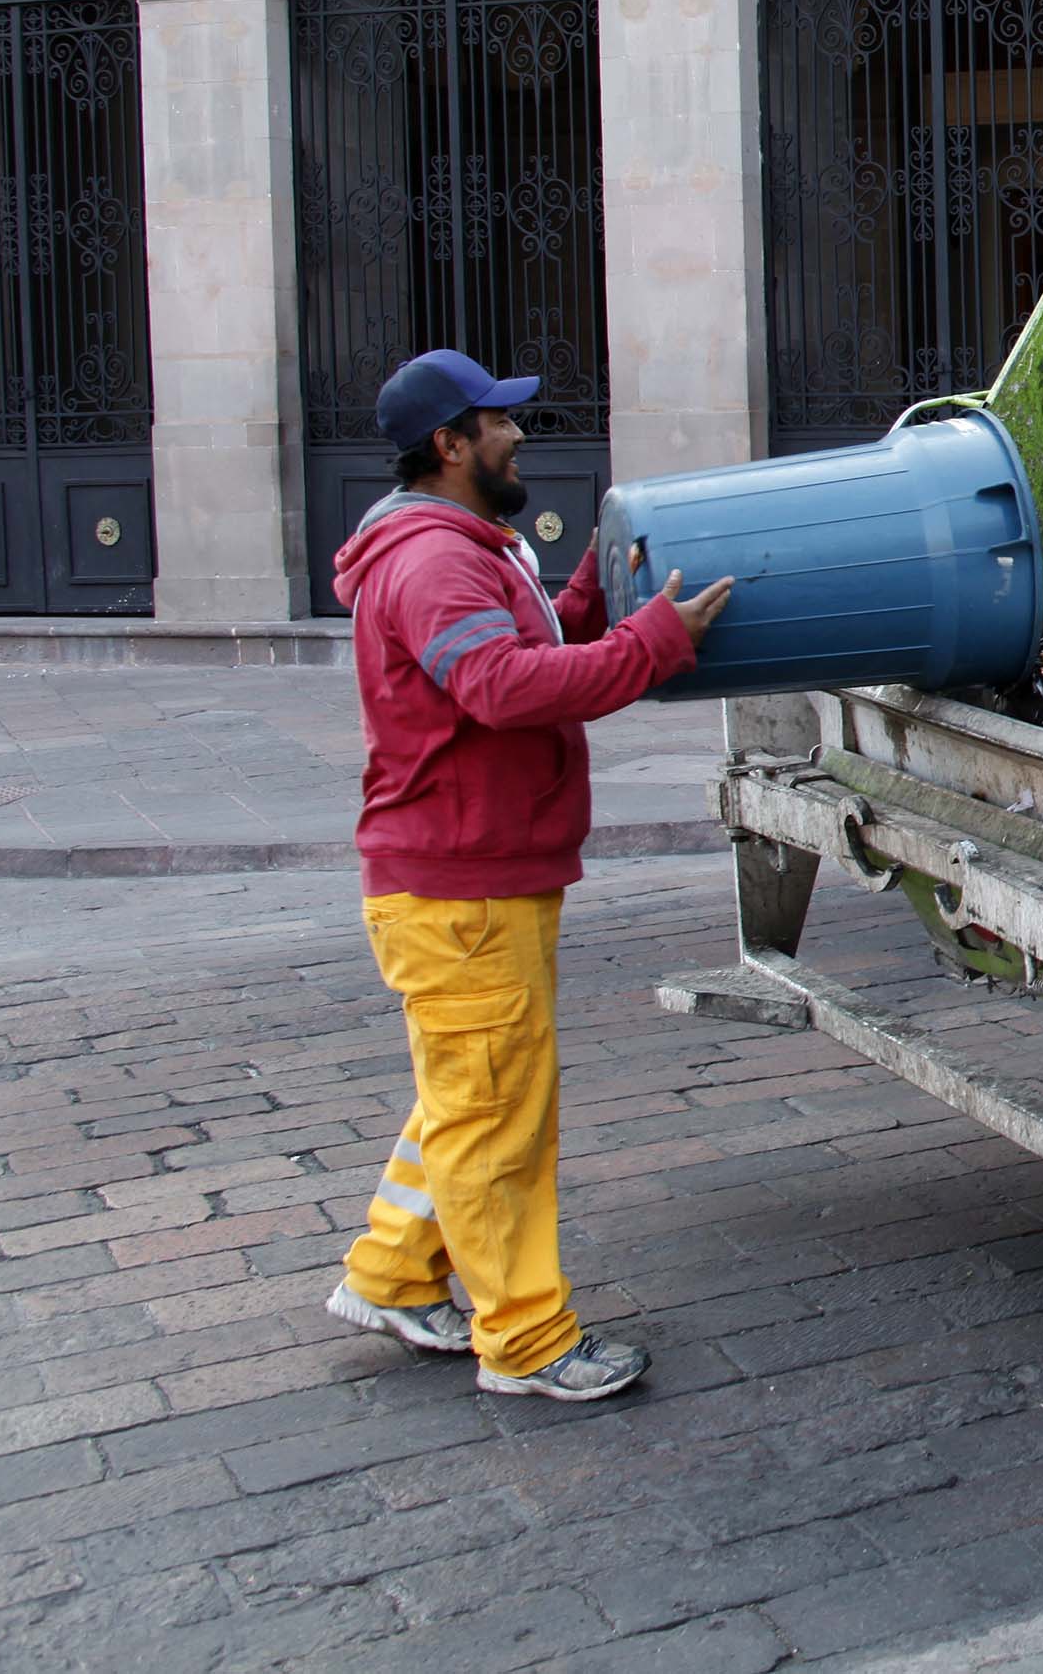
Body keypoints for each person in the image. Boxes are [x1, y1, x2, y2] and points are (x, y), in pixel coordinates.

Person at [324, 349, 735, 1403]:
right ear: (450, 444)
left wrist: (598, 586)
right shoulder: (434, 560)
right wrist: (653, 643)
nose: (518, 434)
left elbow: (534, 642)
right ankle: (526, 1339)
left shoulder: (463, 544)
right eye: (498, 420)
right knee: (495, 1117)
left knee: (467, 1096)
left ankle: (390, 1273)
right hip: (459, 884)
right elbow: (502, 686)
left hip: (471, 871)